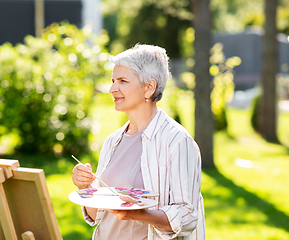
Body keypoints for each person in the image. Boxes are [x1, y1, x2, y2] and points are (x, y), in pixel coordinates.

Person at [72, 44, 205, 240]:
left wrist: (141, 215)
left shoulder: (177, 141)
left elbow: (187, 216)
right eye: (113, 81)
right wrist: (84, 187)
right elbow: (98, 216)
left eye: (123, 81)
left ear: (149, 87)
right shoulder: (112, 141)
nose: (112, 88)